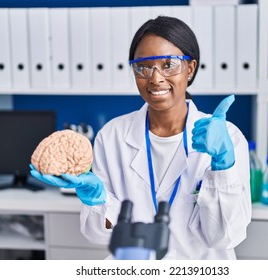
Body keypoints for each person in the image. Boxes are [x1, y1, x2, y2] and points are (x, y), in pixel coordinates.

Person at [30, 16, 251, 260]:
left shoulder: (227, 138)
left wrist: (223, 166)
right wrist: (97, 200)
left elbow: (226, 236)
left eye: (169, 64)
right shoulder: (112, 137)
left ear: (190, 68)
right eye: (144, 66)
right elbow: (99, 235)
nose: (155, 78)